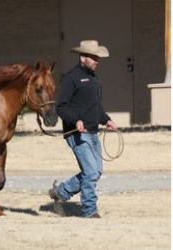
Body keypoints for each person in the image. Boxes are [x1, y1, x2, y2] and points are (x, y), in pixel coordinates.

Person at [49, 40, 118, 219]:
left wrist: (106, 120)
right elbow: (61, 106)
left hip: (93, 132)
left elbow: (96, 107)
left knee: (96, 171)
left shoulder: (95, 79)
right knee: (91, 171)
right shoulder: (70, 78)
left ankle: (60, 192)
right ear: (82, 58)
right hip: (77, 133)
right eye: (94, 58)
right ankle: (89, 211)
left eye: (97, 58)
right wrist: (76, 120)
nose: (97, 61)